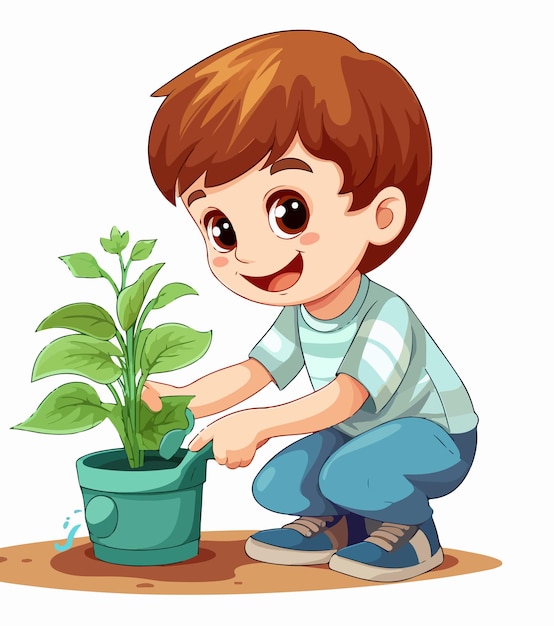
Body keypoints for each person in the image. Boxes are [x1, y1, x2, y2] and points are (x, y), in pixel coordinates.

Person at [143, 30, 478, 583]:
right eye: (220, 227)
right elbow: (255, 372)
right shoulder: (301, 313)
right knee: (278, 485)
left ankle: (413, 533)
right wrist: (185, 400)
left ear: (382, 215)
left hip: (433, 435)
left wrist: (258, 425)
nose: (247, 252)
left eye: (289, 212)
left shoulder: (385, 316)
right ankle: (340, 525)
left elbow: (345, 398)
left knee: (352, 475)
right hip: (360, 433)